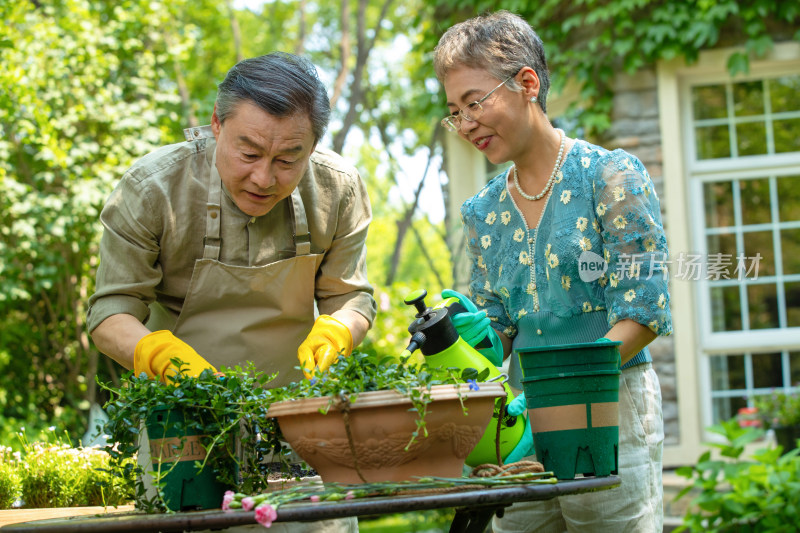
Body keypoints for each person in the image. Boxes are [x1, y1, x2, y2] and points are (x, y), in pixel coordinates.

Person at [87, 52, 376, 532]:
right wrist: (155, 352)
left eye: (288, 159)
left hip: (300, 418)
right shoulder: (152, 189)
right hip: (183, 425)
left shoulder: (337, 189)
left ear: (313, 145)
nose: (264, 178)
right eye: (249, 154)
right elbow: (109, 311)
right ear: (216, 125)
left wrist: (341, 329)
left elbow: (353, 297)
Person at [432, 11, 672, 533]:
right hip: (518, 424)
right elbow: (500, 327)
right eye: (455, 111)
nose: (466, 122)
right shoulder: (483, 211)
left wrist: (558, 386)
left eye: (475, 101)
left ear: (527, 83)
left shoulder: (609, 175)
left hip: (609, 407)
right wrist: (473, 334)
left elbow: (645, 311)